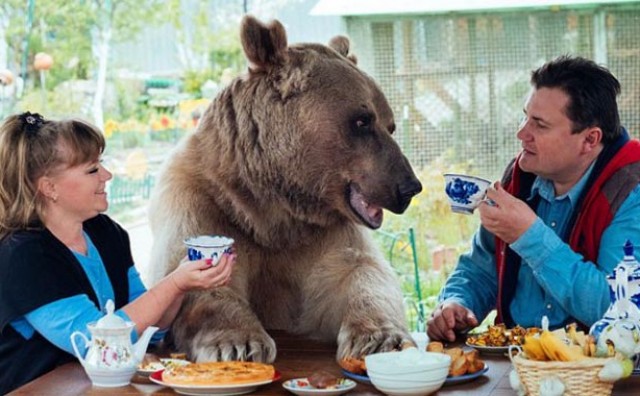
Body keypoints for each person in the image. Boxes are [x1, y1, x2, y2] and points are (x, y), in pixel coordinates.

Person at [0, 112, 236, 393]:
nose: (107, 175)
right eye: (92, 170)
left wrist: (183, 283)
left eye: (101, 163)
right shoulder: (23, 256)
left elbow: (150, 329)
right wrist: (175, 282)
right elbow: (98, 343)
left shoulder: (105, 232)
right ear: (49, 188)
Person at [427, 55, 640, 342]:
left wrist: (529, 236)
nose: (521, 133)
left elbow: (619, 308)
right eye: (525, 116)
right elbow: (481, 268)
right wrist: (457, 304)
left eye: (539, 125)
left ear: (589, 140)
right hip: (515, 362)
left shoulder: (630, 190)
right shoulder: (519, 177)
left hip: (597, 373)